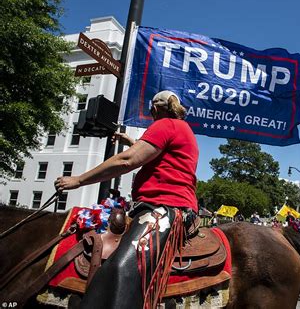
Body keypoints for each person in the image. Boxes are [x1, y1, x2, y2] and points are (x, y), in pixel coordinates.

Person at [55, 90, 198, 309]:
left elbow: (127, 160)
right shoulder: (179, 128)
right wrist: (133, 141)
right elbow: (157, 156)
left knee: (123, 267)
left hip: (166, 208)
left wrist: (78, 180)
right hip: (162, 205)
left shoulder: (165, 125)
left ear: (155, 108)